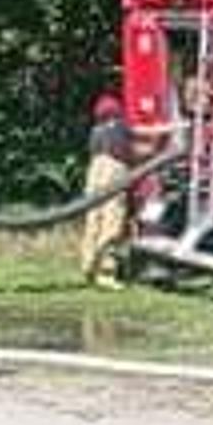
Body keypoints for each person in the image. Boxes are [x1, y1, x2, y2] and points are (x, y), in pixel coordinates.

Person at [80, 91, 132, 288]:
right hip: (113, 173)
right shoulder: (119, 127)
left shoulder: (96, 131)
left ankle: (88, 267)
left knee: (93, 220)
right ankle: (106, 273)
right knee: (112, 222)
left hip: (94, 172)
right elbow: (143, 139)